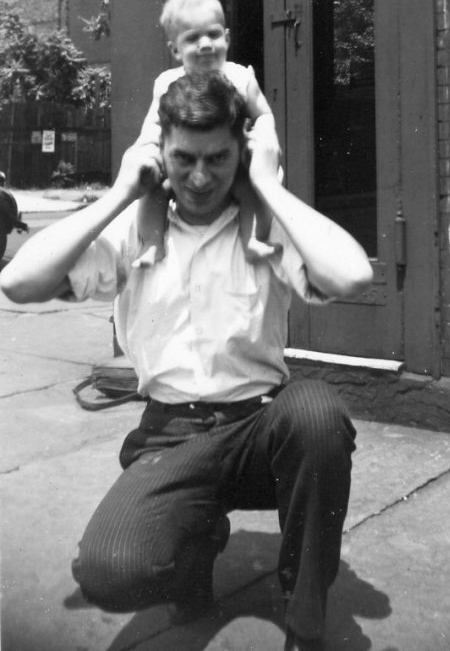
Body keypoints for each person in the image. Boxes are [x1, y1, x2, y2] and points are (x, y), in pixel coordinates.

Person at [1, 72, 373, 651]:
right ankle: (195, 548)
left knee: (319, 416)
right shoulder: (136, 231)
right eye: (184, 158)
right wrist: (120, 191)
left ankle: (305, 619)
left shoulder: (263, 228)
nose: (200, 178)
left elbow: (351, 274)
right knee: (110, 572)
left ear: (242, 154)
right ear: (160, 155)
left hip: (261, 427)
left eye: (219, 159)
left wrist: (268, 185)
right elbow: (18, 283)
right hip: (170, 436)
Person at [135, 0, 280, 264]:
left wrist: (265, 136)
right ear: (175, 50)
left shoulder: (239, 77)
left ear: (226, 37)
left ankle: (251, 240)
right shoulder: (167, 82)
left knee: (252, 190)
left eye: (213, 34)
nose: (205, 44)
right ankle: (152, 243)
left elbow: (263, 114)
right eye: (192, 38)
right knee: (155, 191)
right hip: (184, 162)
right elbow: (153, 123)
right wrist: (145, 148)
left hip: (231, 161)